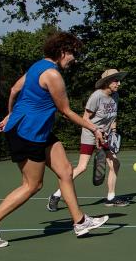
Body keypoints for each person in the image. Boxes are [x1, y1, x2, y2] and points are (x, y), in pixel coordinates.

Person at [0, 32, 109, 248]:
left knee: (65, 171)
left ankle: (80, 222)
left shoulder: (36, 66)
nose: (74, 58)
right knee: (32, 185)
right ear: (63, 51)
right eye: (73, 53)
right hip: (28, 134)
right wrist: (94, 128)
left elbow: (14, 90)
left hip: (37, 131)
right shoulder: (53, 76)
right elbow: (65, 111)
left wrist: (11, 115)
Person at [47, 68, 128, 211]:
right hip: (90, 133)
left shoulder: (116, 96)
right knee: (82, 167)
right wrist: (96, 131)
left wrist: (113, 132)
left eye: (119, 80)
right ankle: (56, 195)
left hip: (106, 136)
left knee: (115, 163)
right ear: (107, 82)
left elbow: (113, 117)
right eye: (116, 80)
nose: (118, 83)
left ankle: (111, 198)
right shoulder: (96, 96)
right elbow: (84, 118)